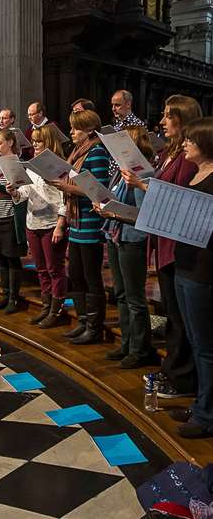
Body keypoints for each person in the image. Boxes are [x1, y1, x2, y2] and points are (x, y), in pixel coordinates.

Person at [121, 95, 202, 398]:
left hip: (177, 244)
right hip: (164, 240)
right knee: (172, 314)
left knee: (180, 319)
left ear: (183, 119)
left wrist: (143, 186)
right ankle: (173, 370)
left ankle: (182, 378)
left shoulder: (187, 157)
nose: (162, 121)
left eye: (169, 116)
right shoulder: (170, 152)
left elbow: (181, 196)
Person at [94, 127, 157, 368]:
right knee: (120, 294)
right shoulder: (122, 172)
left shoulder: (145, 173)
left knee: (135, 298)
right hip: (115, 235)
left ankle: (140, 350)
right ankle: (127, 344)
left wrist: (114, 212)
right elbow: (116, 199)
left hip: (132, 239)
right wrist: (103, 204)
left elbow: (143, 215)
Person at [50, 110, 111, 344]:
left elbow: (98, 190)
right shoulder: (76, 153)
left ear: (88, 131)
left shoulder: (96, 153)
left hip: (90, 222)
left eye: (75, 128)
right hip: (77, 222)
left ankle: (94, 328)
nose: (71, 132)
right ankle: (83, 321)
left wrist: (68, 189)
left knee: (90, 276)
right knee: (75, 275)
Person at [170, 117, 213, 438]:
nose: (184, 144)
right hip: (183, 264)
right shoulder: (198, 173)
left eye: (190, 140)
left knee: (206, 346)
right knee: (195, 340)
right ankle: (201, 402)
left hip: (203, 270)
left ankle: (207, 415)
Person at [8, 126, 67, 327]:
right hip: (32, 223)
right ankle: (45, 307)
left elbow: (65, 198)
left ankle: (56, 310)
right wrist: (14, 192)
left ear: (49, 143)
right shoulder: (31, 166)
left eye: (39, 141)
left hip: (52, 224)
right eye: (33, 141)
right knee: (41, 269)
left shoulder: (59, 166)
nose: (34, 145)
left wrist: (60, 225)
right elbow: (25, 192)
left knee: (54, 269)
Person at [0, 128, 28, 313]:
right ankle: (5, 294)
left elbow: (22, 191)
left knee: (12, 257)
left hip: (10, 216)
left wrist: (0, 187)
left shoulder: (19, 164)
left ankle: (14, 298)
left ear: (10, 142)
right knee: (1, 257)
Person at [109, 90, 145, 176]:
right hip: (113, 172)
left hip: (127, 174)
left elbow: (140, 153)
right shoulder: (117, 122)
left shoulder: (137, 124)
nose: (113, 109)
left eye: (117, 105)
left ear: (128, 104)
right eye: (112, 105)